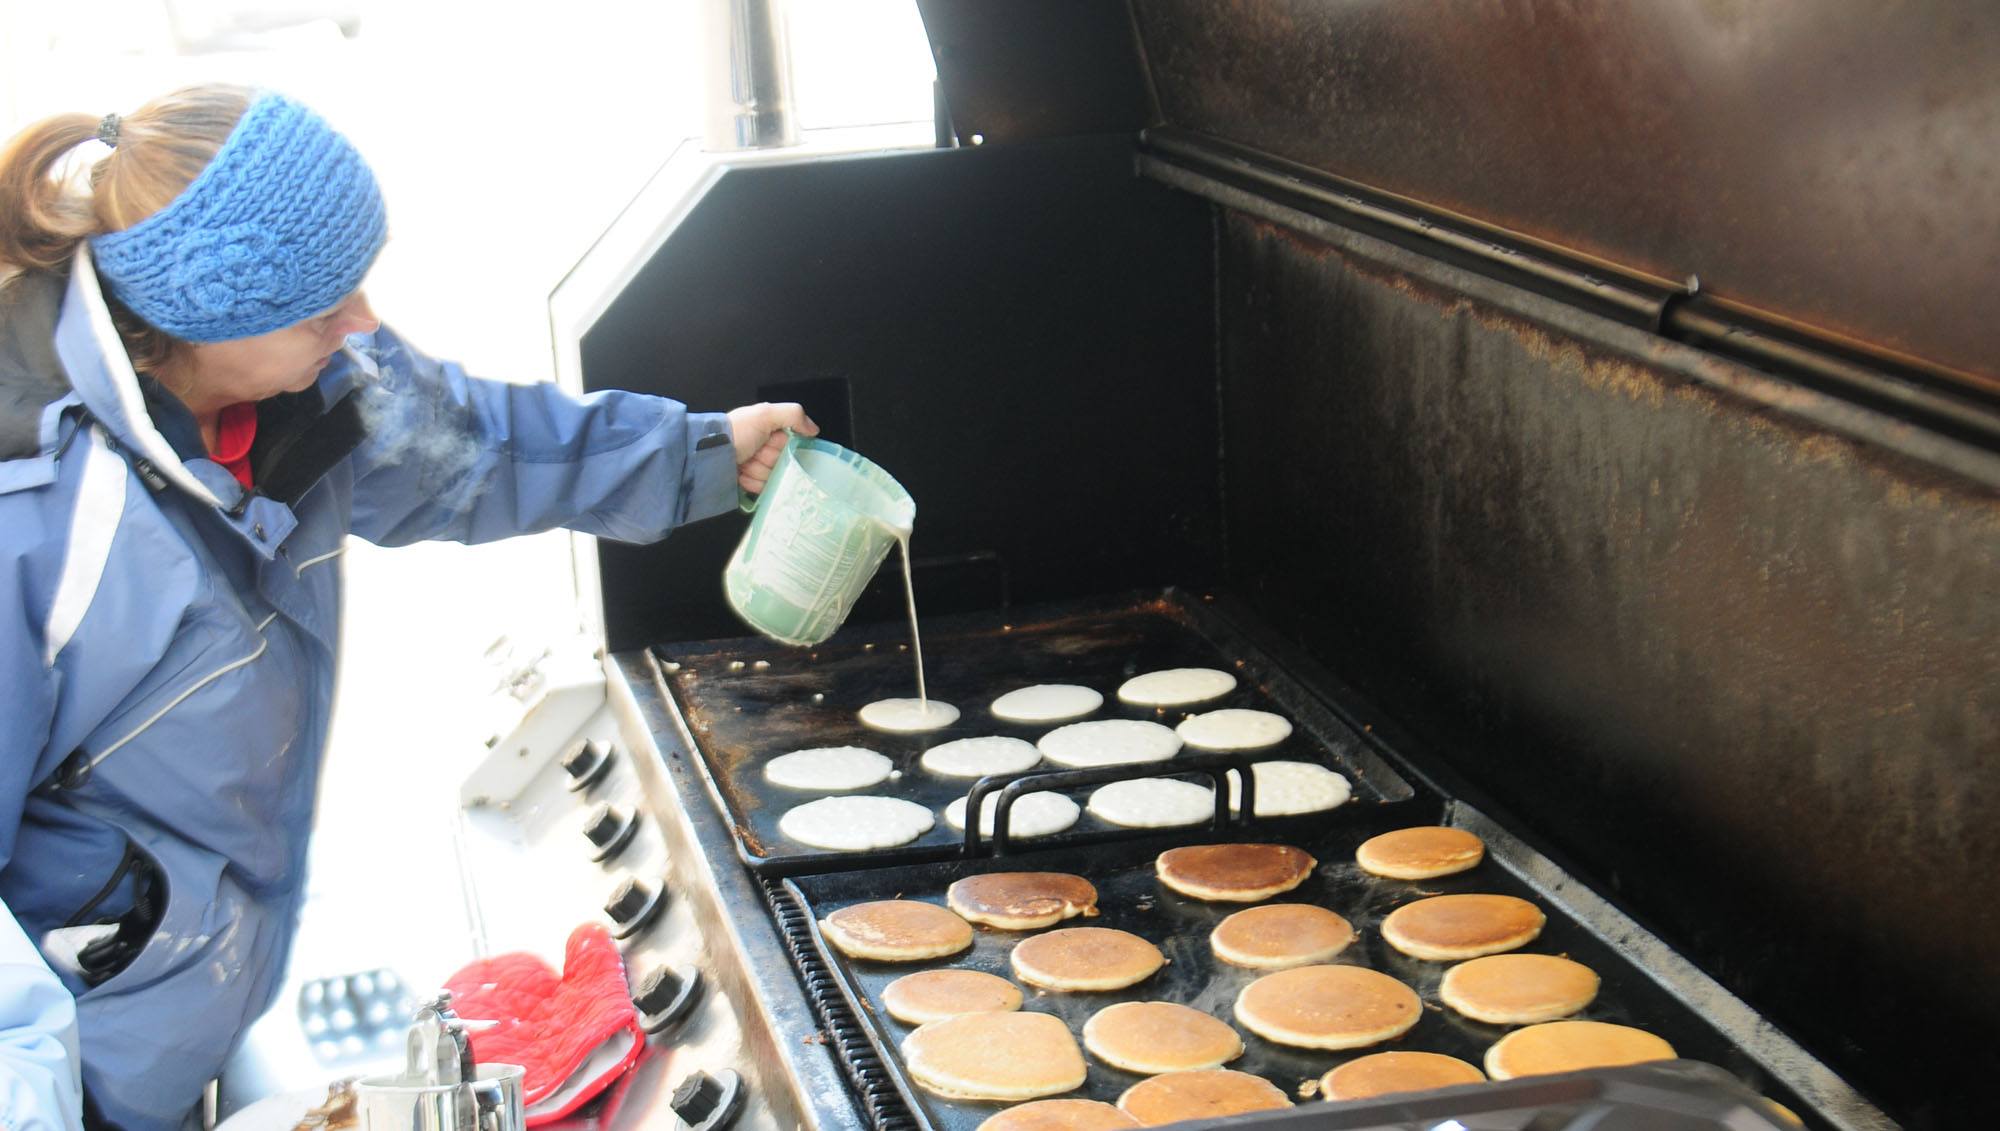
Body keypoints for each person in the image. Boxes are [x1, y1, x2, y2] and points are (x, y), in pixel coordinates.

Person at [0, 84, 815, 1131]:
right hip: (62, 1059)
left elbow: (474, 446)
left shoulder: (304, 381)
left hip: (177, 1009)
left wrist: (698, 452)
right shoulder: (38, 518)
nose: (365, 322)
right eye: (323, 304)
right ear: (206, 313)